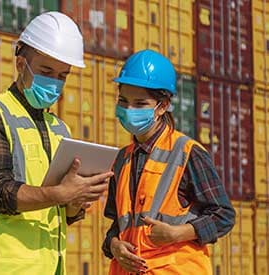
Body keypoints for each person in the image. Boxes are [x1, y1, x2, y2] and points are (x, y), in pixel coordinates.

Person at [0, 12, 113, 275]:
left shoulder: (60, 129)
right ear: (20, 64)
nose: (54, 82)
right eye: (46, 71)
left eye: (62, 75)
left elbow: (58, 213)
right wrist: (62, 193)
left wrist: (75, 202)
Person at [101, 49, 236, 275]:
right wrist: (114, 246)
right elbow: (118, 225)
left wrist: (178, 233)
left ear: (162, 106)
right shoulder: (122, 159)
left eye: (139, 103)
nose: (128, 110)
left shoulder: (187, 152)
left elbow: (224, 215)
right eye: (123, 101)